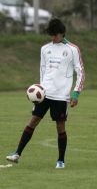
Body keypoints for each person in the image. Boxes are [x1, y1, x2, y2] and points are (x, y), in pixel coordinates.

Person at [6, 18, 85, 169]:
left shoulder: (73, 49)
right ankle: (17, 154)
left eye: (55, 35)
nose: (52, 38)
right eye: (51, 35)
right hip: (45, 94)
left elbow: (80, 72)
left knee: (60, 127)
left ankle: (60, 161)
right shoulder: (45, 49)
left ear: (62, 33)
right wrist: (39, 90)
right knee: (33, 121)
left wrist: (76, 93)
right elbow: (42, 70)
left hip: (62, 96)